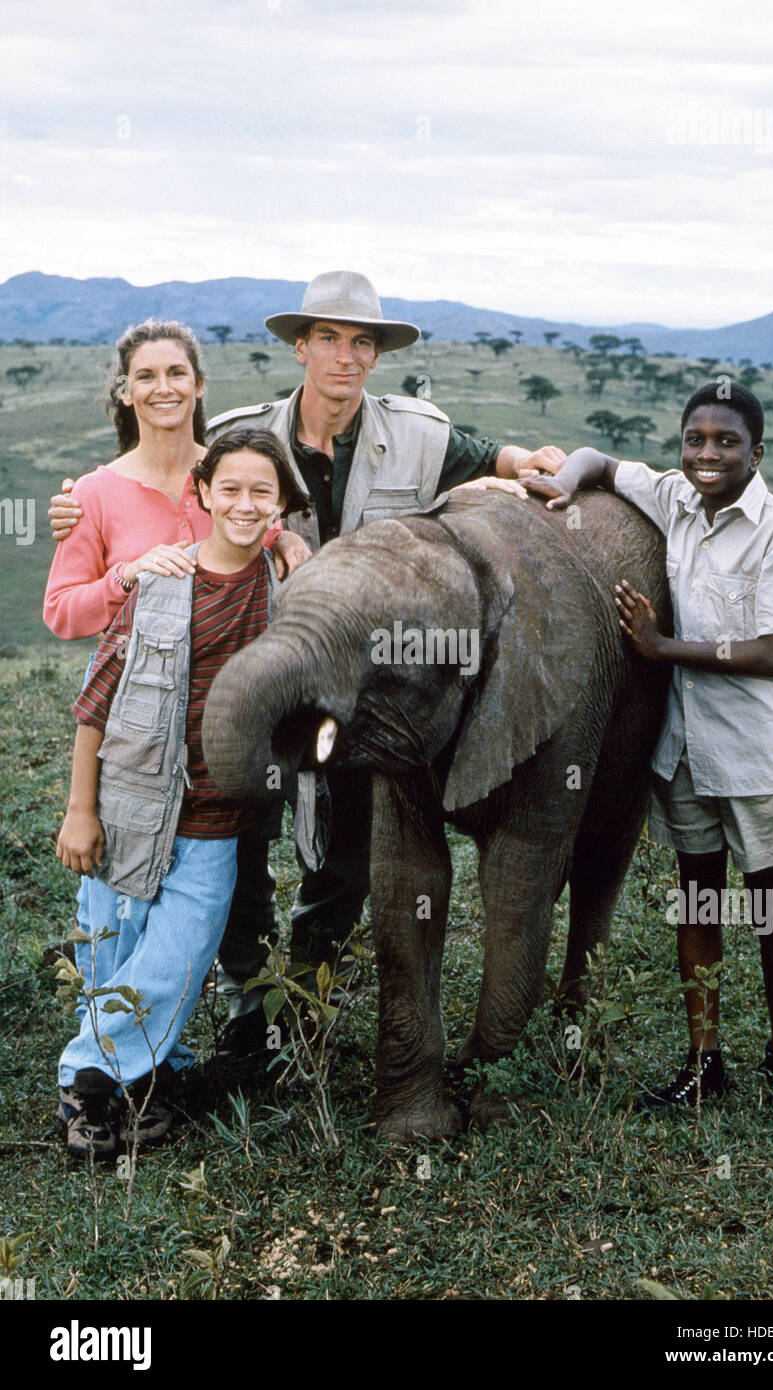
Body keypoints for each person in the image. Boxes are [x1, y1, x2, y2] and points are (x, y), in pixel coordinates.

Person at [49, 272, 566, 1059]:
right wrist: (75, 504)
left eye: (362, 342)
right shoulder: (243, 430)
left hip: (363, 691)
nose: (345, 356)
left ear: (377, 354)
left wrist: (541, 462)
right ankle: (248, 1007)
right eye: (328, 337)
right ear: (300, 346)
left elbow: (492, 455)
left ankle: (306, 1004)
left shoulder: (420, 437)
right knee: (239, 839)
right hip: (253, 673)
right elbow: (163, 476)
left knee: (350, 852)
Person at [525, 382, 773, 1108]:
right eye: (695, 440)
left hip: (754, 747)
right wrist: (563, 482)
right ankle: (704, 1061)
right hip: (689, 746)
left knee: (766, 900)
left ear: (757, 453)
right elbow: (596, 458)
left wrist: (663, 647)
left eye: (726, 442)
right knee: (697, 896)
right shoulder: (676, 500)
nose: (707, 454)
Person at [55, 429, 308, 1159]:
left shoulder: (286, 595)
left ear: (282, 505)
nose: (244, 503)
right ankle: (126, 1086)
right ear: (201, 493)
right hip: (128, 802)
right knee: (113, 950)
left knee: (176, 958)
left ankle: (88, 1078)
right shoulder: (158, 582)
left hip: (218, 817)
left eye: (263, 490)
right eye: (228, 487)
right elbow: (93, 704)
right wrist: (81, 809)